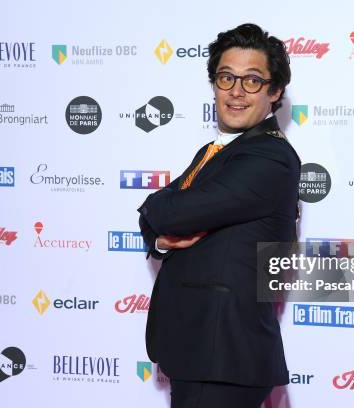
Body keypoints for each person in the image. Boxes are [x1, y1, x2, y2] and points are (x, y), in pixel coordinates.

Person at [138, 23, 300, 408]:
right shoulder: (215, 151)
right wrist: (161, 238)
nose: (236, 91)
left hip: (225, 356)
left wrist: (158, 211)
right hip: (198, 350)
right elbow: (160, 220)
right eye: (226, 77)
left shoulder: (269, 158)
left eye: (253, 80)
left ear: (274, 92)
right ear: (213, 83)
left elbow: (168, 210)